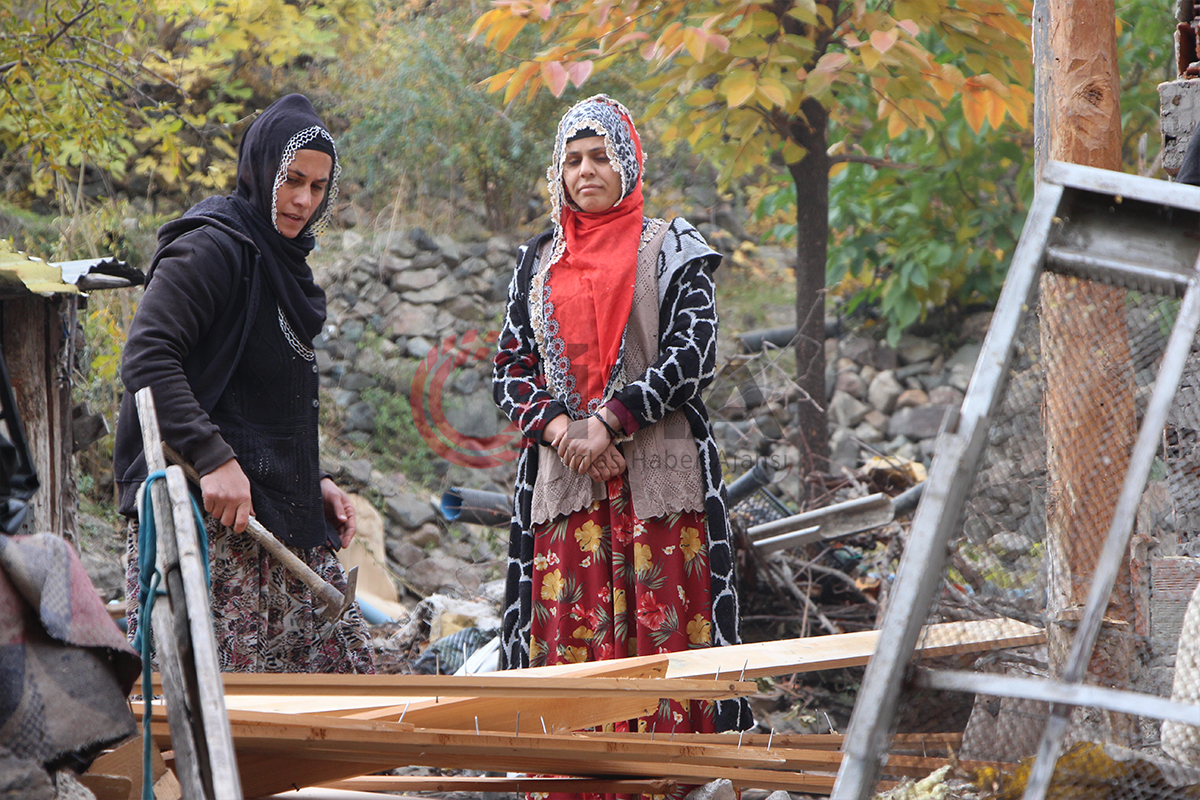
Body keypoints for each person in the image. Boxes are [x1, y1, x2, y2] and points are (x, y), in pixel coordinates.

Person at [493, 95, 752, 756]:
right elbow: (510, 369)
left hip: (660, 485)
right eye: (573, 160)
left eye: (601, 156)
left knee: (666, 637)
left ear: (628, 162)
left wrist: (610, 421)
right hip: (566, 485)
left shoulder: (672, 247)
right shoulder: (538, 261)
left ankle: (671, 780)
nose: (586, 170)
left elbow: (694, 355)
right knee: (570, 641)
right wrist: (566, 434)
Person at [113, 94, 374, 674]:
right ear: (260, 171)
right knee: (220, 707)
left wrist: (312, 479)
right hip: (204, 519)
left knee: (341, 688)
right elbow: (148, 358)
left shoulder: (283, 266)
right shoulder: (211, 248)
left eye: (318, 187)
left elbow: (259, 399)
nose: (304, 200)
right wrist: (212, 457)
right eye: (292, 180)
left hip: (272, 519)